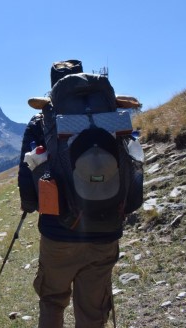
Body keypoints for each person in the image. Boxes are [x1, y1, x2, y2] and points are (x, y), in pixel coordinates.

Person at [17, 60, 122, 328]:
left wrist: (31, 204)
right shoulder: (109, 113)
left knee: (52, 301)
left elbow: (26, 183)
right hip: (105, 228)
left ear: (54, 85)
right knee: (92, 311)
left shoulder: (42, 120)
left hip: (58, 231)